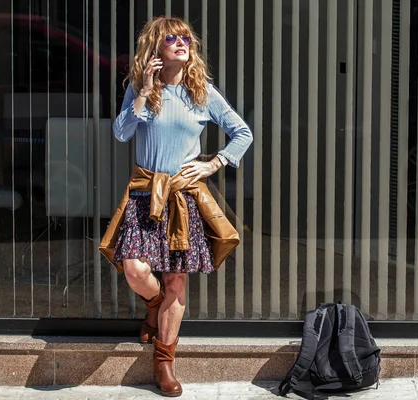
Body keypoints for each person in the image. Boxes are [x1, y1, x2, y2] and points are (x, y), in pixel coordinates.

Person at [107, 16, 252, 397]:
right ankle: (152, 304)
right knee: (136, 270)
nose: (182, 42)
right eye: (172, 37)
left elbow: (243, 132)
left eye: (186, 37)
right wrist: (143, 91)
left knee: (176, 278)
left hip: (183, 198)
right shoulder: (141, 88)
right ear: (155, 48)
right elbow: (121, 132)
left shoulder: (202, 91)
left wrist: (213, 163)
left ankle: (164, 362)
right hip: (144, 194)